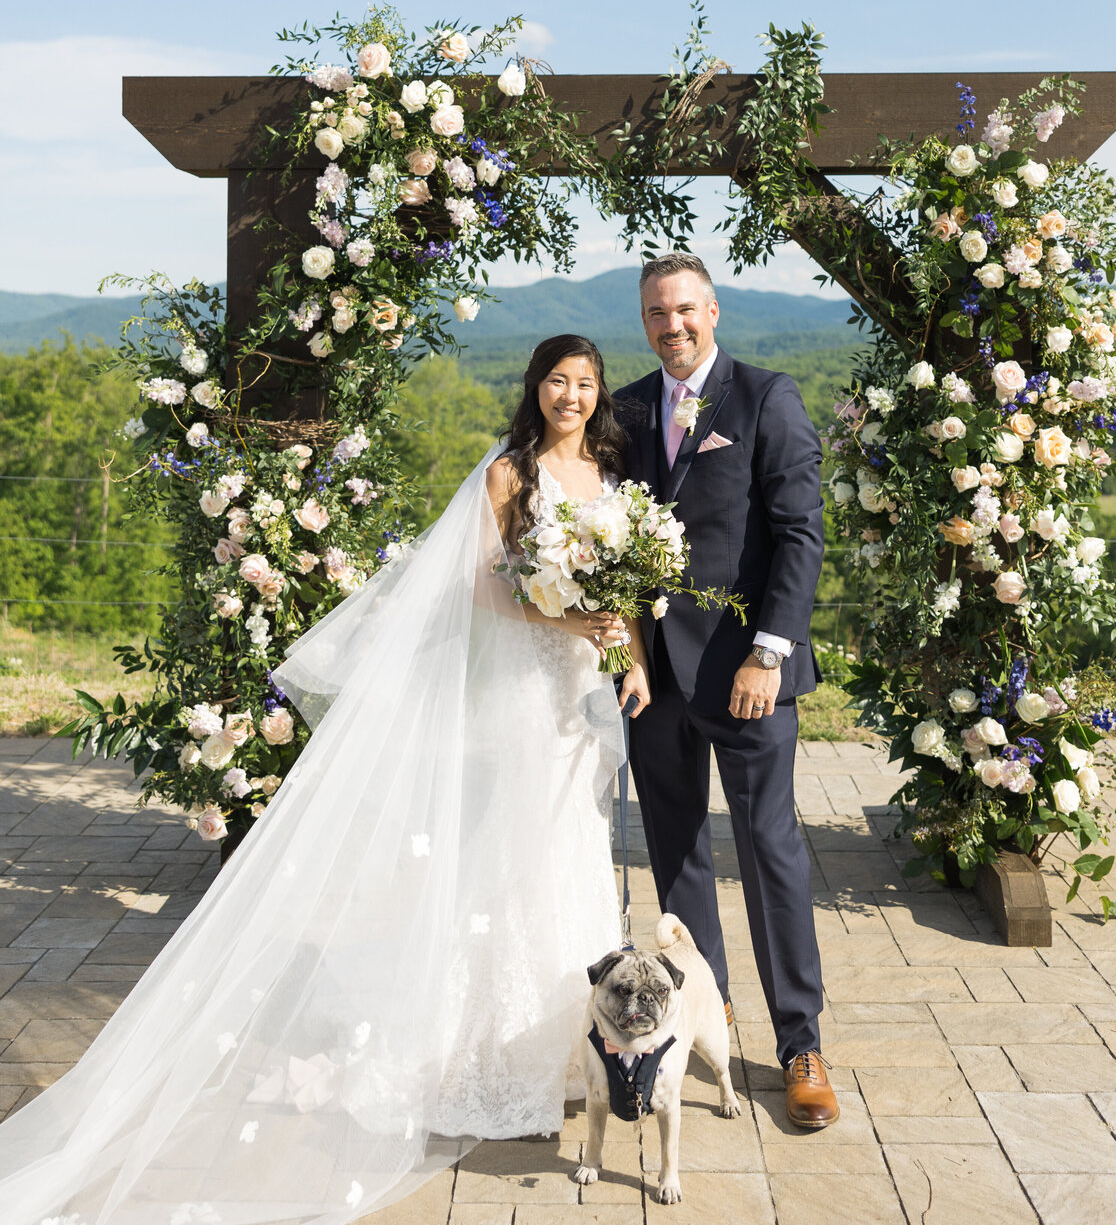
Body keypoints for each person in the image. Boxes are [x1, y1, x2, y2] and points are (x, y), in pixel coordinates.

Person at [0, 335, 650, 1225]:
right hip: (522, 690)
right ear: (534, 386)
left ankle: (559, 1049)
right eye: (556, 380)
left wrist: (629, 652)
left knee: (569, 846)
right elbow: (486, 591)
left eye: (584, 383)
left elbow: (628, 588)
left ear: (598, 394)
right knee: (510, 857)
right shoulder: (510, 475)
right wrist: (575, 624)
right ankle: (481, 1060)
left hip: (580, 692)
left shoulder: (611, 476)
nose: (570, 396)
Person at [616, 252, 838, 1129]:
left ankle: (800, 1044)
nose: (672, 328)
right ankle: (702, 1021)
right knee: (675, 862)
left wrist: (769, 653)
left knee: (770, 853)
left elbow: (799, 534)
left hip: (749, 676)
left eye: (684, 311)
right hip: (656, 682)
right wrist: (626, 651)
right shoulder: (629, 407)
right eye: (656, 316)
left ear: (714, 310)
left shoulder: (764, 398)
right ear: (645, 324)